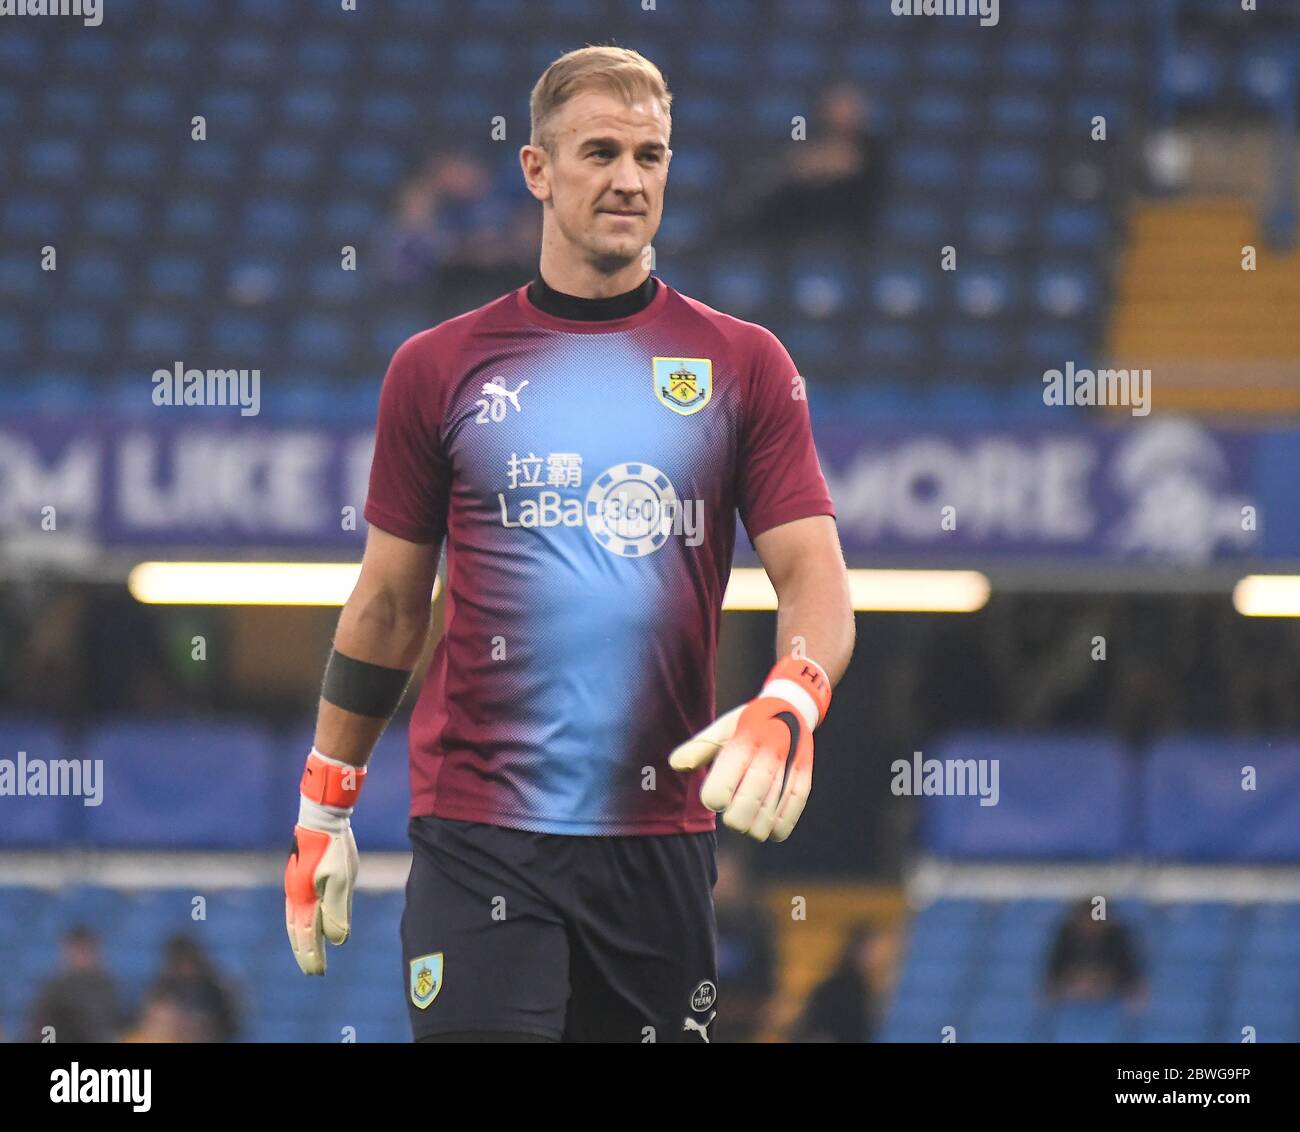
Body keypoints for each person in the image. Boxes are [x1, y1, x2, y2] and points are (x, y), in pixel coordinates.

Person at [284, 45, 855, 1043]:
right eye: (599, 151)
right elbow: (385, 605)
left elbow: (814, 576)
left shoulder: (743, 365)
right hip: (480, 836)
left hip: (660, 844)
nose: (629, 179)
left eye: (650, 155)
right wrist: (324, 806)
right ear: (538, 170)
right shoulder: (436, 369)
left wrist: (790, 694)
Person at [712, 842, 778, 1042]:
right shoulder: (690, 919)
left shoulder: (758, 922)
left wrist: (750, 1008)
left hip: (744, 1025)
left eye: (728, 873)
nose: (723, 880)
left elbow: (767, 976)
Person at [26, 926, 123, 1043]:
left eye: (86, 951)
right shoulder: (53, 991)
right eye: (77, 951)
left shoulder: (108, 988)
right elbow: (43, 1027)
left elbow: (114, 1027)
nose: (81, 958)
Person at [1043, 898, 1145, 1008]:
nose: (1090, 924)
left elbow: (1130, 976)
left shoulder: (1117, 939)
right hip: (1072, 1000)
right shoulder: (1066, 938)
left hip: (1111, 1001)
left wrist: (1103, 983)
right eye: (1087, 919)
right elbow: (1053, 977)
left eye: (1096, 920)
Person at [792, 922, 885, 1042]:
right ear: (858, 950)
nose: (879, 956)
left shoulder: (865, 988)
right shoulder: (838, 990)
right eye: (873, 949)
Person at [145, 934, 242, 1042]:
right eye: (179, 963)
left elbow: (232, 1025)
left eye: (188, 963)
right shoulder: (161, 989)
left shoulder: (218, 989)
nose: (185, 969)